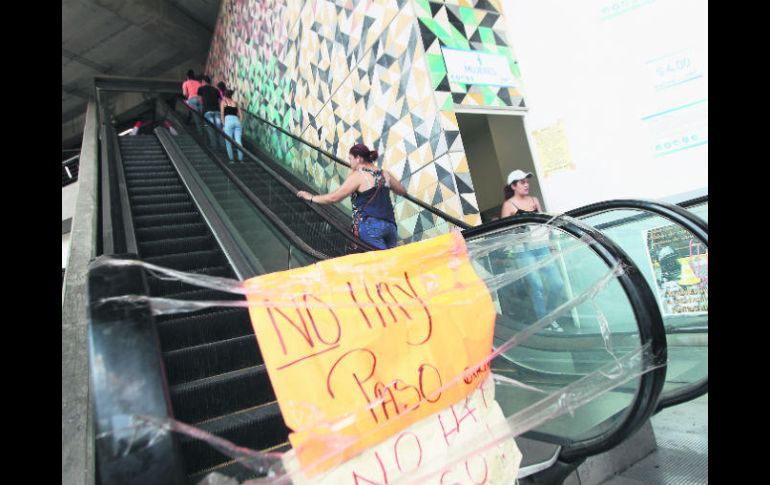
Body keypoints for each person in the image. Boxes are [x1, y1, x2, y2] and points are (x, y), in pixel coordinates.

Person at [296, 143, 406, 250]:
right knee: (390, 262)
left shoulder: (359, 176)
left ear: (358, 158)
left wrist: (312, 197)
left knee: (377, 264)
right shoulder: (385, 174)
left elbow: (335, 197)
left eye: (350, 159)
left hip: (370, 226)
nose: (350, 163)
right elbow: (402, 191)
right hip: (391, 227)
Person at [501, 169, 565, 332]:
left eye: (527, 182)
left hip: (542, 247)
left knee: (557, 283)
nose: (526, 185)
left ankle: (550, 316)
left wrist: (551, 245)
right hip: (524, 252)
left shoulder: (534, 200)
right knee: (536, 286)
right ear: (513, 186)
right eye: (522, 182)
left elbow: (545, 224)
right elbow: (505, 232)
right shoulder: (508, 206)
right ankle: (544, 324)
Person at [197, 75, 223, 148]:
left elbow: (200, 101)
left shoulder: (201, 89)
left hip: (207, 111)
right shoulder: (216, 90)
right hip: (217, 111)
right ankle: (222, 145)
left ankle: (214, 145)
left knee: (210, 128)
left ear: (203, 82)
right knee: (219, 129)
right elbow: (220, 101)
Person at [220, 89, 243, 162]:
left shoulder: (223, 102)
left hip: (228, 121)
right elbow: (241, 115)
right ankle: (241, 159)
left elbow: (222, 114)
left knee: (228, 142)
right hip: (236, 121)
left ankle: (231, 160)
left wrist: (224, 125)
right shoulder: (235, 103)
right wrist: (239, 122)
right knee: (238, 142)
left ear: (225, 95)